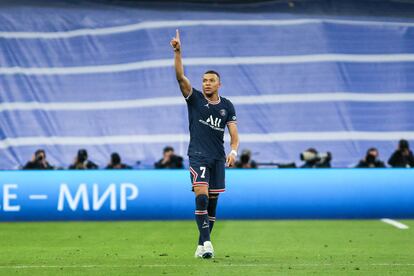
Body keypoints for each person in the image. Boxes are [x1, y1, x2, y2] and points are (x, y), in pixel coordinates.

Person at [171, 29, 239, 259]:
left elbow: (234, 132)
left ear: (219, 84)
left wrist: (233, 151)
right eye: (204, 80)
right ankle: (208, 242)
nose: (206, 83)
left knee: (212, 203)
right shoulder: (195, 98)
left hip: (218, 157)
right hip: (198, 155)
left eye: (211, 81)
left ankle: (200, 245)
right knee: (201, 196)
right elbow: (180, 77)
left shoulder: (227, 106)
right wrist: (178, 52)